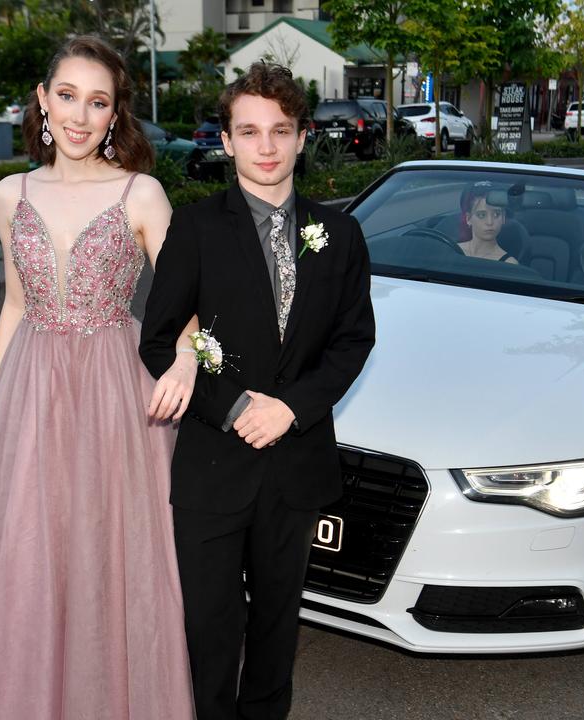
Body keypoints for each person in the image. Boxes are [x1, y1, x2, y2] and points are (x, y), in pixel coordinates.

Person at [0, 35, 197, 720]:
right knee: (26, 559)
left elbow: (188, 301)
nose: (78, 115)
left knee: (110, 554)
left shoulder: (141, 193)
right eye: (66, 95)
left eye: (96, 101)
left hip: (115, 391)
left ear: (114, 114)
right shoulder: (11, 194)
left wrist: (187, 358)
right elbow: (15, 303)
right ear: (42, 100)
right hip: (32, 389)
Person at [139, 61, 376, 720]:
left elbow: (354, 341)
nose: (266, 146)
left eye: (280, 130)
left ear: (303, 137)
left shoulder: (343, 236)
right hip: (214, 468)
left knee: (276, 633)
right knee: (210, 636)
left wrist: (292, 408)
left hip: (296, 469)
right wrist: (239, 406)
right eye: (249, 131)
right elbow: (158, 341)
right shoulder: (195, 230)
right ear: (225, 140)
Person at [458, 184, 520, 263]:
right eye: (482, 215)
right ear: (468, 219)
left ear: (503, 218)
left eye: (496, 214)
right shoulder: (452, 251)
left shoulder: (509, 263)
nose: (489, 222)